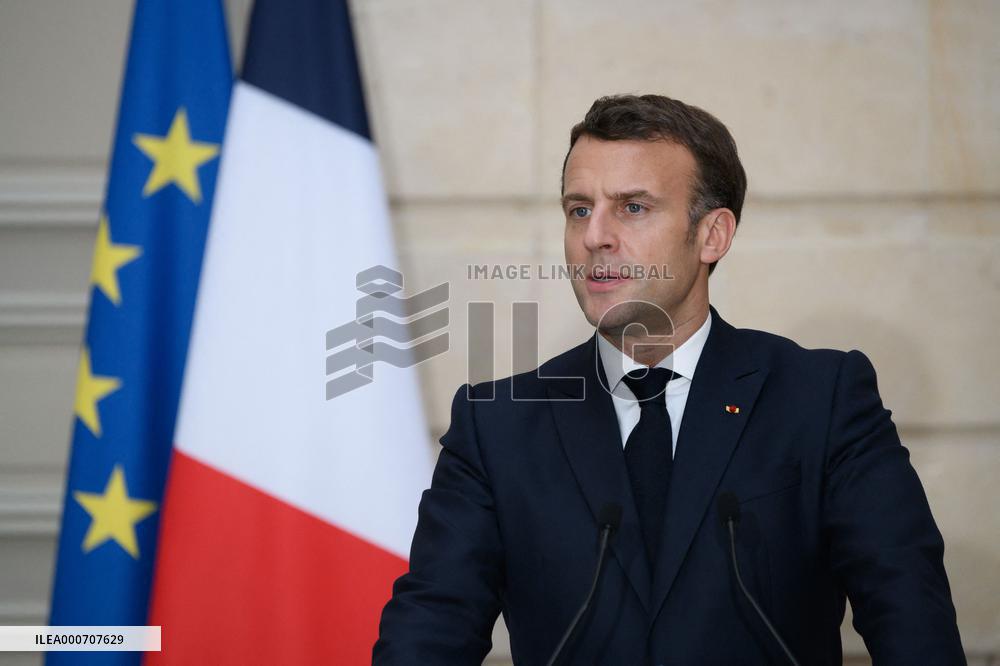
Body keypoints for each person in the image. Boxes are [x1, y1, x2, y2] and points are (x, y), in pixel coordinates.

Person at [372, 94, 965, 665]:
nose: (595, 236)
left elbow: (911, 618)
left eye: (633, 207)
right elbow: (431, 629)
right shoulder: (498, 423)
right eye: (579, 209)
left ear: (713, 235)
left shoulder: (821, 398)